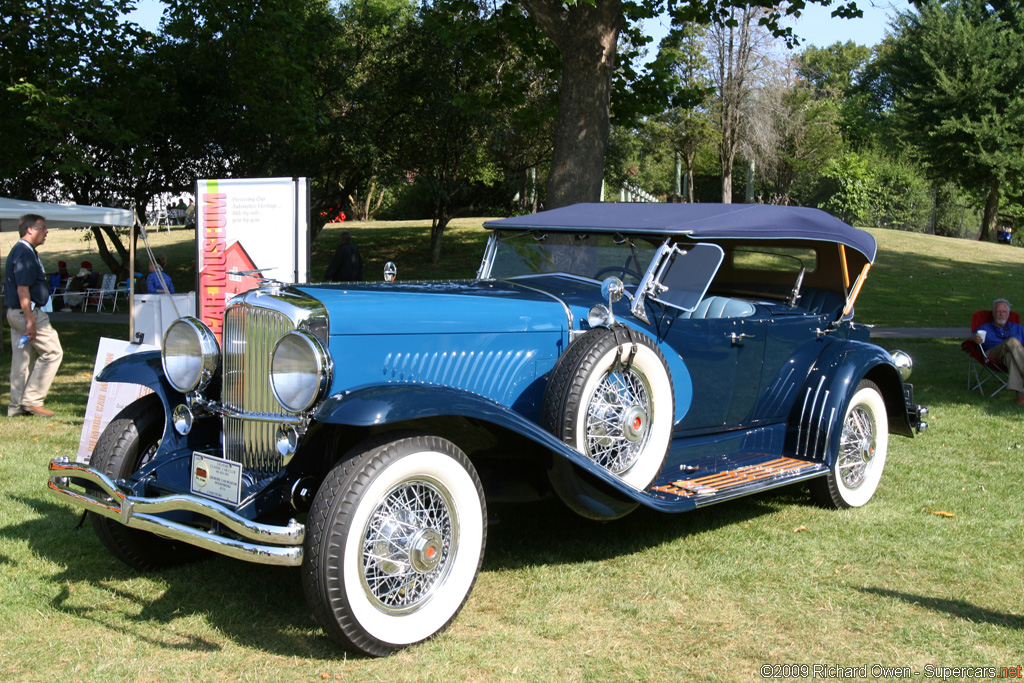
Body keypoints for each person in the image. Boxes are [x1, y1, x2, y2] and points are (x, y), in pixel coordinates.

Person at [4, 214, 63, 417]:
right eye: (43, 228)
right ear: (30, 229)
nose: (46, 232)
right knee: (53, 352)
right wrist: (30, 321)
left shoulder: (22, 251)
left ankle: (15, 407)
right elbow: (23, 289)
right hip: (25, 312)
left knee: (22, 360)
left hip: (16, 312)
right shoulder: (24, 252)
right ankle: (32, 400)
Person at [972, 298, 1024, 404]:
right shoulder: (984, 328)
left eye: (1004, 312)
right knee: (1013, 341)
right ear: (993, 313)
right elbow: (973, 341)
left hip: (1013, 356)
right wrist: (975, 339)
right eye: (998, 311)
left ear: (1008, 314)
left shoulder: (1018, 328)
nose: (1001, 314)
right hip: (992, 354)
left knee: (1010, 356)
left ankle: (1021, 397)